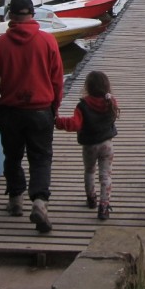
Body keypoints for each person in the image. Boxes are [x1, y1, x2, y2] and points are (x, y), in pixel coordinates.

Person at [0, 0, 64, 233]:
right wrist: (54, 107)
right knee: (40, 158)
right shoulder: (47, 42)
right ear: (32, 14)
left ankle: (15, 201)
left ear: (10, 15)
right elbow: (57, 80)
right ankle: (39, 201)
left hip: (9, 110)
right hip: (41, 110)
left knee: (12, 155)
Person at [55, 70, 119, 220]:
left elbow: (75, 124)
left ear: (88, 87)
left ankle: (91, 200)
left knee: (90, 171)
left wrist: (58, 122)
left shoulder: (82, 106)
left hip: (90, 146)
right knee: (105, 176)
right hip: (107, 145)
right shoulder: (111, 102)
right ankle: (104, 206)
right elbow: (113, 115)